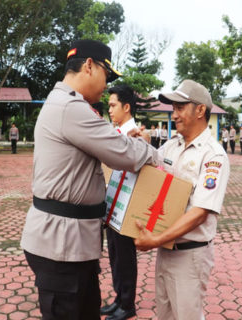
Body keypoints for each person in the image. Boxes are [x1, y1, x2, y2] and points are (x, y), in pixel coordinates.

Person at [20, 39, 159, 320]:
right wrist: (149, 148)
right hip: (61, 246)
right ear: (88, 66)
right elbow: (123, 154)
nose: (106, 85)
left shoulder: (64, 103)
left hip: (70, 242)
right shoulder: (71, 108)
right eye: (106, 75)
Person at [134, 79, 230, 320]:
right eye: (173, 108)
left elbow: (200, 212)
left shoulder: (213, 155)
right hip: (166, 250)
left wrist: (155, 239)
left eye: (180, 107)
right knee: (165, 315)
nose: (174, 114)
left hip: (190, 255)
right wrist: (142, 144)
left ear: (200, 110)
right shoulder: (171, 146)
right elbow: (152, 171)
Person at [102, 84, 138, 320]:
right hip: (113, 203)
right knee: (115, 254)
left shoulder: (135, 136)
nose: (110, 110)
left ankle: (127, 304)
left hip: (127, 205)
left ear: (126, 107)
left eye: (113, 105)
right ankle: (118, 298)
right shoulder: (117, 134)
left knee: (125, 256)